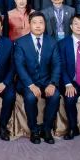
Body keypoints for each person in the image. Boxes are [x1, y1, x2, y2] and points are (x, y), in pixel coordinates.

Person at [13, 12, 61, 144]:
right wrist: (31, 85)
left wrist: (52, 83)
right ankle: (34, 130)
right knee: (30, 97)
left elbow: (57, 64)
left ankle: (47, 129)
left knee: (55, 95)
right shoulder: (20, 42)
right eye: (34, 22)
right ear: (29, 24)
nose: (38, 25)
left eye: (41, 22)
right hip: (28, 82)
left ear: (45, 25)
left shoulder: (52, 42)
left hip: (47, 81)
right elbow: (19, 66)